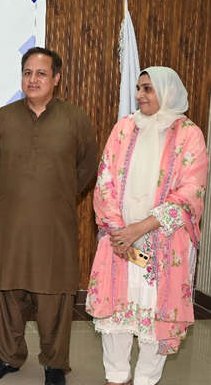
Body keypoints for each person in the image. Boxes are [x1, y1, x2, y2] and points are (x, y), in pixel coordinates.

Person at [0, 47, 98, 385]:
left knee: (54, 295)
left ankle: (54, 363)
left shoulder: (76, 119)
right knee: (7, 292)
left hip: (55, 225)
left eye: (41, 73)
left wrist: (57, 194)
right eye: (28, 72)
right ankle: (9, 356)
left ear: (56, 79)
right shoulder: (4, 117)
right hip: (11, 222)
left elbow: (86, 168)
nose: (33, 79)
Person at [86, 67, 208, 385]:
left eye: (148, 89)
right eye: (139, 88)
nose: (140, 95)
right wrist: (117, 230)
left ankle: (145, 380)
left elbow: (190, 192)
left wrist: (140, 229)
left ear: (168, 91)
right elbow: (106, 178)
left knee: (156, 312)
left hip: (165, 243)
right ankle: (116, 376)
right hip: (119, 240)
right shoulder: (125, 127)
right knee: (118, 310)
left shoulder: (189, 133)